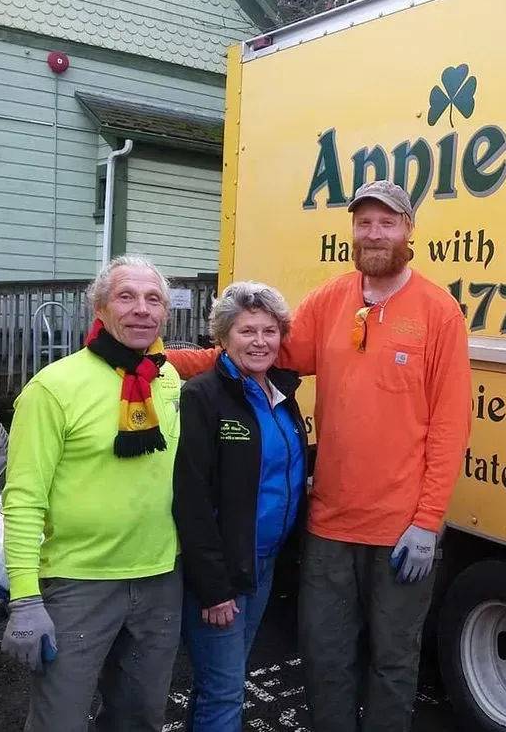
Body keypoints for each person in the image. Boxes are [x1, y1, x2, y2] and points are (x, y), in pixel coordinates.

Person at [166, 179, 472, 732]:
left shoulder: (438, 312)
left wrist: (427, 521)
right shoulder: (332, 299)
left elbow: (451, 425)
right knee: (325, 657)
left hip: (400, 530)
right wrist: (159, 360)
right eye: (364, 222)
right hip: (330, 523)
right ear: (353, 230)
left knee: (393, 661)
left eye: (387, 222)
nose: (374, 233)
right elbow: (256, 352)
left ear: (408, 230)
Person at [1, 255, 183, 732]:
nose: (142, 309)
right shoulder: (53, 388)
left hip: (160, 578)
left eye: (153, 299)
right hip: (78, 583)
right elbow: (23, 498)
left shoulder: (166, 379)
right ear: (98, 309)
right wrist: (24, 599)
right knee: (59, 722)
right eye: (126, 297)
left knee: (140, 718)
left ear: (165, 312)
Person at [172, 281, 309, 731]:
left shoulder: (282, 396)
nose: (260, 341)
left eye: (269, 331)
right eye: (247, 331)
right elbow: (191, 499)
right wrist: (213, 588)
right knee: (226, 691)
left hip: (264, 564)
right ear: (223, 337)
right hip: (224, 572)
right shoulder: (204, 396)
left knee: (219, 682)